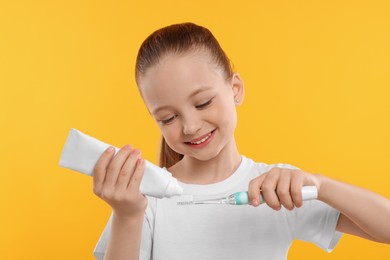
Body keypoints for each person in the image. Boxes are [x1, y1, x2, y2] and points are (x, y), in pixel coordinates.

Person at [91, 23, 390, 260]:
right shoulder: (148, 198)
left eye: (203, 102)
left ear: (235, 89)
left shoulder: (275, 189)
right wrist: (127, 215)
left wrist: (320, 186)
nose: (191, 126)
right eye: (168, 118)